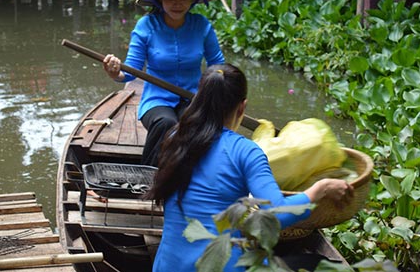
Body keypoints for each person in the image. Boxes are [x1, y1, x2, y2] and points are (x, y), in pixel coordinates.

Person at [146, 63, 354, 271]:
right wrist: (321, 189)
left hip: (167, 266)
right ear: (242, 107)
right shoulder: (246, 151)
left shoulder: (175, 137)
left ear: (200, 99)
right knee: (318, 265)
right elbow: (277, 215)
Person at [103, 0, 225, 166]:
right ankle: (149, 175)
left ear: (192, 0)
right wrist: (114, 72)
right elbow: (130, 72)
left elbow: (218, 65)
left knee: (194, 122)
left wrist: (220, 94)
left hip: (193, 97)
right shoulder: (146, 26)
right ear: (159, 0)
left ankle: (192, 178)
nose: (178, 4)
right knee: (166, 123)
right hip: (156, 100)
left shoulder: (201, 25)